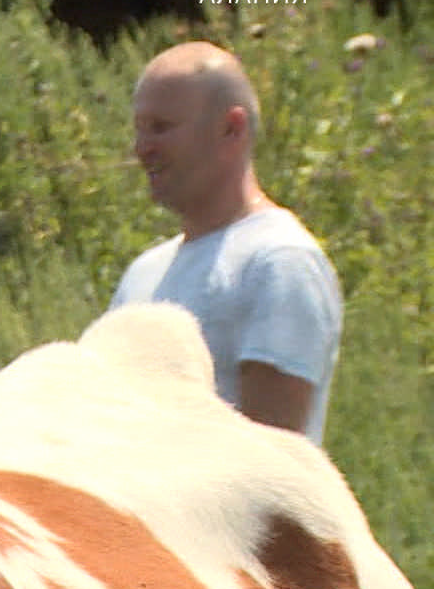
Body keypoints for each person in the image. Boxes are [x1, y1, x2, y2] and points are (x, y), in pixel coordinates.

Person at [109, 41, 343, 445]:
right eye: (140, 129)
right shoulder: (144, 272)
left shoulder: (278, 262)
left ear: (230, 129)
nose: (141, 148)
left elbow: (269, 463)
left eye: (161, 128)